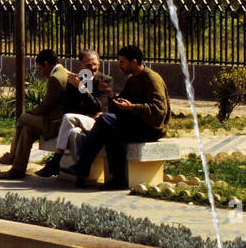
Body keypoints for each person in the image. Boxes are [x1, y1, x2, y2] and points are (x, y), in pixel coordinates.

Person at [67, 45, 170, 190]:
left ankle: (82, 166)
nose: (119, 66)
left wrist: (133, 107)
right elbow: (121, 104)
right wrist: (110, 94)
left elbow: (159, 111)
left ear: (133, 62)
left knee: (106, 122)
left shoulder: (152, 79)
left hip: (150, 128)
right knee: (107, 125)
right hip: (136, 124)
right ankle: (116, 179)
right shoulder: (132, 80)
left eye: (122, 62)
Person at [35, 49, 114, 178]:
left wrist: (82, 89)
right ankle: (81, 174)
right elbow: (68, 107)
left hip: (98, 122)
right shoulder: (74, 81)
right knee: (73, 133)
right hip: (80, 121)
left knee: (68, 118)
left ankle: (55, 161)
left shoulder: (105, 80)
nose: (93, 68)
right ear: (81, 65)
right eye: (89, 65)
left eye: (96, 64)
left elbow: (98, 106)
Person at [0, 49, 75, 179]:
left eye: (41, 69)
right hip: (54, 119)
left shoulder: (55, 78)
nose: (42, 73)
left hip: (55, 123)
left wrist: (31, 113)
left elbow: (46, 106)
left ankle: (11, 156)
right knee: (27, 130)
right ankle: (17, 170)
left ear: (46, 64)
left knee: (23, 118)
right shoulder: (61, 71)